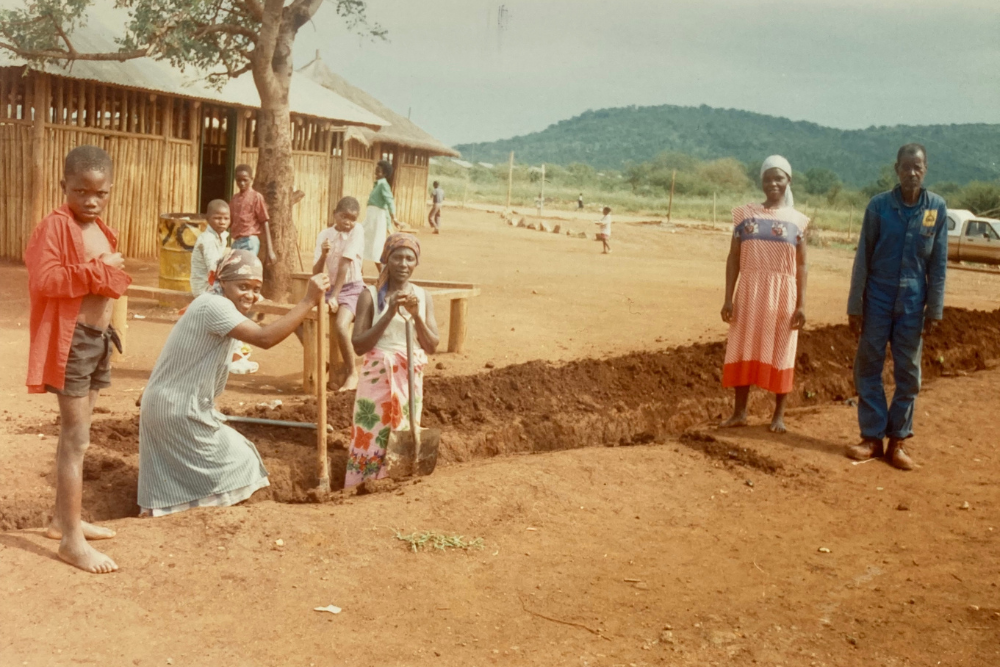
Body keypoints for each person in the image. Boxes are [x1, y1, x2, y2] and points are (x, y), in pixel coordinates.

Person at [138, 250, 329, 516]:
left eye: (255, 289)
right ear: (222, 281)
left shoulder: (214, 302)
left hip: (171, 404)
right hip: (178, 408)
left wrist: (255, 295)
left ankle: (173, 513)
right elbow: (265, 338)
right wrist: (308, 300)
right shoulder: (214, 307)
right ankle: (202, 519)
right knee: (242, 460)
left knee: (185, 468)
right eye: (242, 286)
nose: (249, 295)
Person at [25, 145, 132, 573]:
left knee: (81, 436)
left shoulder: (102, 230)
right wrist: (99, 269)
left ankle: (62, 521)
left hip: (98, 340)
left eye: (100, 193)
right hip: (71, 344)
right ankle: (71, 541)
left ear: (109, 191)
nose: (90, 200)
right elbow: (46, 279)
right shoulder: (54, 227)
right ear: (63, 186)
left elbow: (111, 282)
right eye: (81, 191)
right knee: (76, 439)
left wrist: (108, 271)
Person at [845, 144, 947, 470]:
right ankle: (872, 438)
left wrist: (934, 309)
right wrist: (854, 305)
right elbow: (862, 259)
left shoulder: (936, 209)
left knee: (909, 374)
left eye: (917, 167)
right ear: (896, 169)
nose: (911, 173)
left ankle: (898, 442)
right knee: (868, 367)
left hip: (913, 304)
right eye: (906, 167)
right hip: (876, 299)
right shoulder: (878, 207)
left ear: (926, 169)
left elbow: (938, 264)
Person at [720, 155, 809, 434]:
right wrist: (728, 297)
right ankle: (739, 413)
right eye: (768, 178)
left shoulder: (798, 221)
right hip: (749, 292)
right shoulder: (744, 216)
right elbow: (733, 257)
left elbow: (803, 264)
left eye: (778, 178)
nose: (773, 183)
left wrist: (802, 304)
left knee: (782, 349)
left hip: (783, 295)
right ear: (761, 181)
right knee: (743, 344)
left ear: (788, 181)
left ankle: (778, 416)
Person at [345, 234, 439, 488]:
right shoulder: (370, 295)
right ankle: (363, 484)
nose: (403, 264)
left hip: (409, 376)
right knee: (372, 431)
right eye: (397, 257)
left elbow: (432, 344)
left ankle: (397, 483)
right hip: (378, 375)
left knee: (405, 429)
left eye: (410, 258)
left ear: (416, 263)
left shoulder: (422, 296)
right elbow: (359, 345)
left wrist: (415, 315)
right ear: (386, 259)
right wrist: (389, 313)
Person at [313, 196, 364, 391]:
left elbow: (344, 264)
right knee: (300, 319)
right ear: (335, 214)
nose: (348, 222)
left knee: (341, 327)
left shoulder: (357, 231)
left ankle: (352, 373)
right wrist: (324, 255)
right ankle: (320, 362)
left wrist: (335, 296)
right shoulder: (324, 235)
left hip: (352, 288)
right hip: (330, 288)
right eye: (344, 216)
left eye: (352, 218)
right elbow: (316, 272)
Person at [229, 164, 276, 266]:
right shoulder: (234, 199)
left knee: (246, 269)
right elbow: (229, 221)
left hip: (249, 241)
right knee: (235, 272)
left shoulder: (256, 197)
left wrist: (270, 250)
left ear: (251, 179)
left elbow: (265, 221)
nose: (242, 183)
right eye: (239, 180)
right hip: (236, 242)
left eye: (245, 180)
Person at [362, 160, 399, 270]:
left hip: (376, 219)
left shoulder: (383, 185)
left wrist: (394, 218)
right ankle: (360, 275)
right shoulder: (378, 185)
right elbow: (385, 207)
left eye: (378, 171)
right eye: (375, 171)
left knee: (376, 250)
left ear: (384, 174)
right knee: (360, 244)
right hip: (371, 218)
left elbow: (389, 202)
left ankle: (384, 276)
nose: (375, 173)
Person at [190, 200, 230, 295]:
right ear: (207, 219)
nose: (222, 222)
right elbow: (214, 270)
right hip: (205, 289)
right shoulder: (208, 240)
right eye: (217, 218)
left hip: (211, 285)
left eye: (226, 218)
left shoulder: (221, 236)